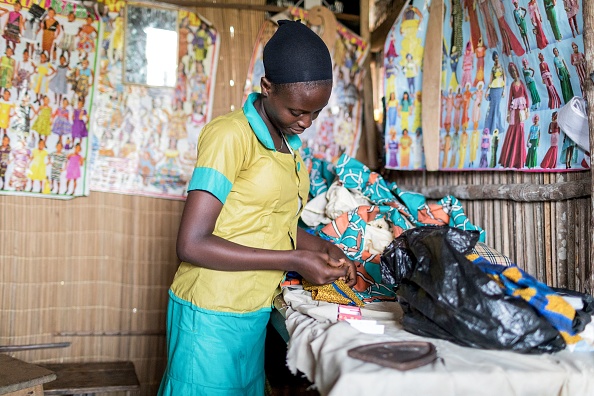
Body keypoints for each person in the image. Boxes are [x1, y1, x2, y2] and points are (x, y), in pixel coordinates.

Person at [157, 20, 356, 396]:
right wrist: (295, 259)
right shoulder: (230, 135)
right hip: (211, 313)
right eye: (298, 110)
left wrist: (321, 247)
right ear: (267, 87)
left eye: (316, 112)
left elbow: (271, 221)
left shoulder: (287, 145)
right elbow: (193, 243)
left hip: (252, 312)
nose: (307, 122)